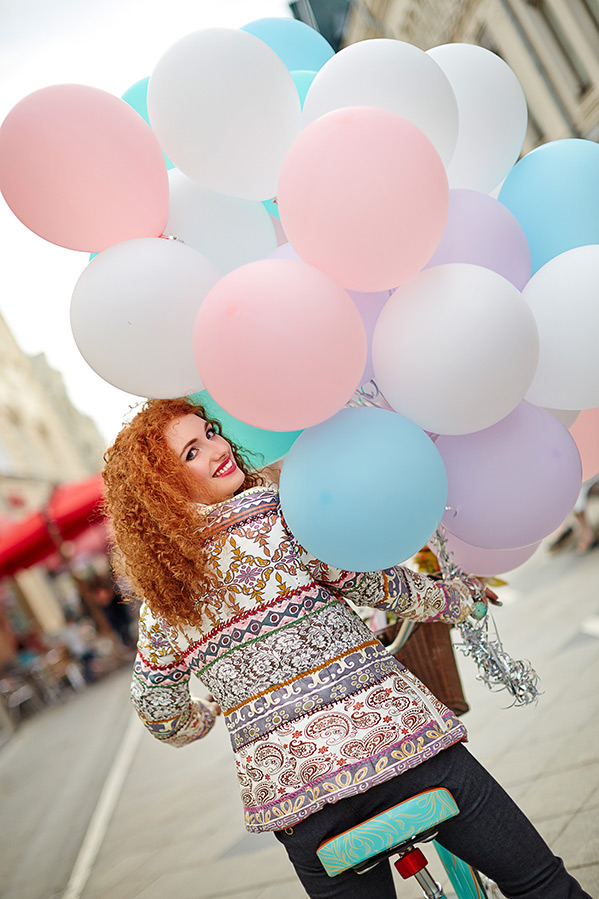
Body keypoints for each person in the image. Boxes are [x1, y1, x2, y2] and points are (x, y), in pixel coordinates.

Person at [103, 397, 589, 899]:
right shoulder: (282, 517)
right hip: (403, 750)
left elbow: (157, 710)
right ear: (163, 488)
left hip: (301, 807)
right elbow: (383, 587)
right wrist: (461, 598)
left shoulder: (163, 600)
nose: (217, 448)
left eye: (209, 432)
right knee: (540, 883)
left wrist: (205, 716)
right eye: (191, 452)